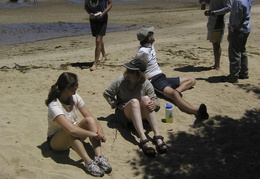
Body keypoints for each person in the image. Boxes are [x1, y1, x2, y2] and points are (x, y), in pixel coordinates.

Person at [45, 72, 112, 177]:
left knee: (89, 120)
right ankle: (88, 162)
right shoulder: (54, 105)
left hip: (73, 133)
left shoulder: (75, 97)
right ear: (68, 87)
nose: (78, 87)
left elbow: (89, 116)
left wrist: (100, 130)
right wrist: (94, 135)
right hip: (57, 141)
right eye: (75, 85)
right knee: (69, 130)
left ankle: (99, 157)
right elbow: (71, 129)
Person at [134, 27, 209, 120]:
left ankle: (177, 91)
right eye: (151, 33)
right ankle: (196, 111)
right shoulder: (142, 52)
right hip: (154, 80)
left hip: (162, 77)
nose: (153, 34)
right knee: (174, 95)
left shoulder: (150, 45)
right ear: (149, 37)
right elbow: (135, 65)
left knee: (192, 80)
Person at [103, 59, 168, 157]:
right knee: (134, 102)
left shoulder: (146, 83)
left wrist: (154, 105)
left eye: (131, 71)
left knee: (146, 99)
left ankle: (157, 136)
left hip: (140, 115)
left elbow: (155, 100)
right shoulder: (121, 81)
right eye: (127, 70)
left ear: (139, 74)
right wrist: (116, 103)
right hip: (125, 115)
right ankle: (143, 138)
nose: (127, 73)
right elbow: (107, 94)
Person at [222, 0, 252, 83]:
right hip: (246, 28)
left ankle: (233, 76)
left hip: (238, 30)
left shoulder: (238, 1)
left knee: (234, 53)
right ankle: (244, 73)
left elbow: (237, 17)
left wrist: (233, 28)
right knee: (242, 50)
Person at [84, 0, 112, 71]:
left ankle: (95, 63)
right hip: (93, 19)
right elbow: (86, 6)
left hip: (102, 19)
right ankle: (104, 55)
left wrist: (103, 13)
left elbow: (110, 4)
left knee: (98, 40)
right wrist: (89, 13)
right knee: (98, 38)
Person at [204, 0, 232, 70]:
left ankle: (217, 65)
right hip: (212, 20)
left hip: (219, 21)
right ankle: (216, 64)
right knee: (214, 42)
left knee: (216, 43)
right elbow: (214, 3)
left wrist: (214, 12)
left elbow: (229, 7)